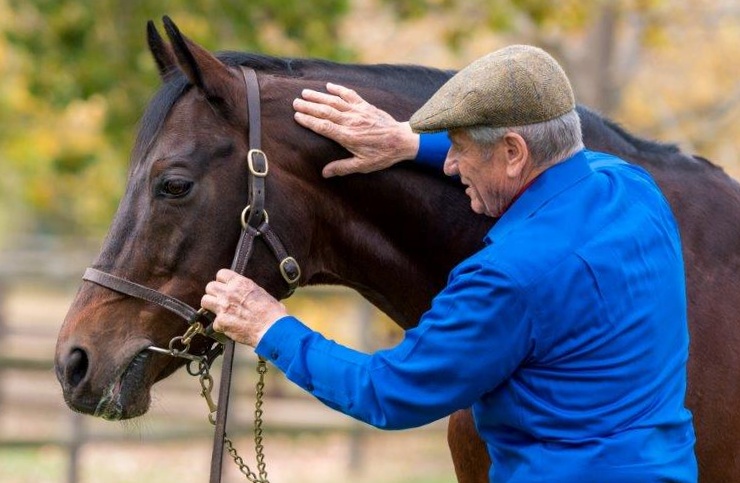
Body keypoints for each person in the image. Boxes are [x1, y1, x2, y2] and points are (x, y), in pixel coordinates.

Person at [201, 45, 697, 482]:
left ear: (512, 152)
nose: (452, 164)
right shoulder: (634, 189)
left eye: (459, 147)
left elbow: (389, 391)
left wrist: (271, 327)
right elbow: (550, 153)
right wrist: (407, 142)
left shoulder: (508, 277)